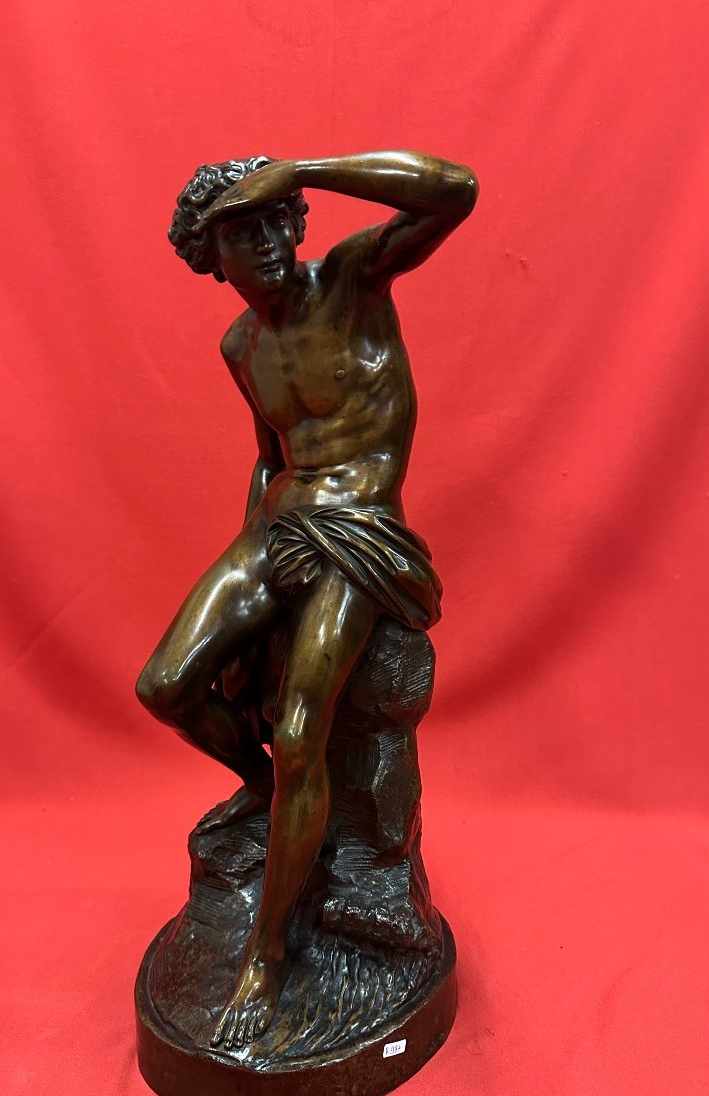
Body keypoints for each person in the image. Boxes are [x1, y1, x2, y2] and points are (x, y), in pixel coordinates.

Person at [136, 151, 477, 1050]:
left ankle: (269, 953)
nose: (267, 242)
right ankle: (267, 796)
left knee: (301, 734)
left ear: (294, 222)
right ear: (212, 258)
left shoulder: (354, 281)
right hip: (279, 528)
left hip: (360, 532)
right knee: (165, 686)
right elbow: (272, 457)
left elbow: (456, 192)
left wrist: (305, 168)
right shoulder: (240, 347)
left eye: (274, 220)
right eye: (240, 232)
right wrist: (258, 599)